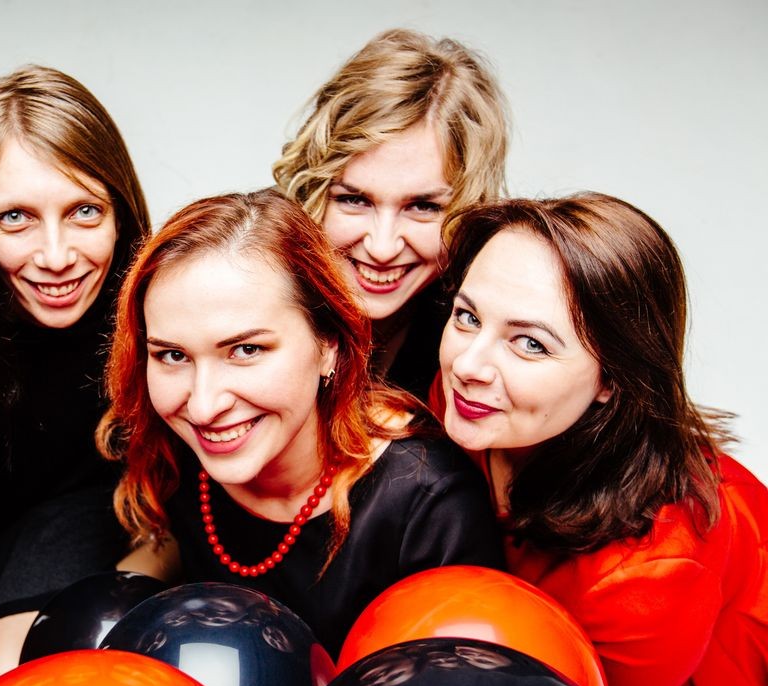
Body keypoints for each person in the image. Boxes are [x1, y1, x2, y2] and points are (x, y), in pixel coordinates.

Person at [433, 192, 768, 686]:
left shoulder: (651, 575)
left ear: (612, 378)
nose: (469, 363)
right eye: (467, 316)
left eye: (529, 343)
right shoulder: (469, 401)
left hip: (702, 645)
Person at [97, 189, 503, 656]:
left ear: (328, 343)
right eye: (172, 355)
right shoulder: (176, 452)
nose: (204, 406)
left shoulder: (429, 504)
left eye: (246, 350)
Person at [0, 65, 151, 674]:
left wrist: (154, 560)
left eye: (85, 211)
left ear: (119, 211)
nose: (58, 256)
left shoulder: (156, 302)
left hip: (141, 527)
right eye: (16, 217)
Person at [273, 28, 509, 398]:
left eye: (423, 207)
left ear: (470, 208)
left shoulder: (485, 345)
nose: (382, 248)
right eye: (354, 200)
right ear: (312, 191)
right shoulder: (259, 291)